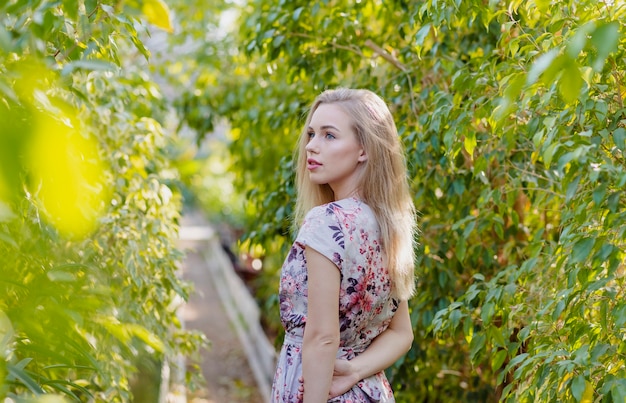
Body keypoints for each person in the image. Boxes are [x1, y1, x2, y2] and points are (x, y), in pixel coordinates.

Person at [271, 88, 417, 402]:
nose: (311, 146)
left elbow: (323, 339)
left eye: (329, 136)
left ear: (363, 149)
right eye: (311, 133)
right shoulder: (388, 225)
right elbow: (401, 334)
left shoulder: (326, 222)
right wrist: (355, 369)